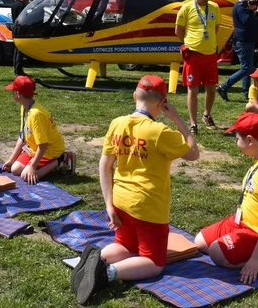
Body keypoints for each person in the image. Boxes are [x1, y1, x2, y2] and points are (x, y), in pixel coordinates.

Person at [70, 75, 199, 305]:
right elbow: (193, 153)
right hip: (148, 206)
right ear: (162, 103)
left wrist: (109, 205)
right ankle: (104, 274)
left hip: (120, 201)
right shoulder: (159, 132)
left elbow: (105, 165)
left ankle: (96, 259)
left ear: (134, 96)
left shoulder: (117, 123)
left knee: (125, 246)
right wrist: (177, 117)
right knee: (154, 263)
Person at [195, 112, 258, 284]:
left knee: (216, 253)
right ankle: (246, 248)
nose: (235, 141)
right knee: (200, 242)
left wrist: (255, 260)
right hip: (245, 221)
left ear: (250, 140)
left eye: (237, 137)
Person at [2, 75, 74, 182]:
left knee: (26, 176)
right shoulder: (24, 107)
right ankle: (36, 163)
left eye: (13, 90)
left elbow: (43, 144)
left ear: (17, 94)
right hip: (34, 148)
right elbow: (22, 136)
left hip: (49, 150)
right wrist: (11, 159)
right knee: (15, 169)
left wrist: (32, 166)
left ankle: (62, 158)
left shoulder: (36, 114)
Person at [175, 0, 221, 133]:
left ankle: (206, 115)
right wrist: (189, 43)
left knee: (211, 88)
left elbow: (216, 28)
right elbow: (178, 31)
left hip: (210, 55)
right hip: (193, 54)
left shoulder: (214, 8)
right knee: (193, 90)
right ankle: (193, 123)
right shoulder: (186, 8)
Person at [218, 0, 258, 103]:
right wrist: (257, 11)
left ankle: (246, 93)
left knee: (247, 68)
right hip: (243, 42)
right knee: (246, 69)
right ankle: (224, 86)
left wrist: (254, 7)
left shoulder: (244, 6)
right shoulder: (240, 7)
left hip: (246, 41)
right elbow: (248, 20)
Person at [11, 0, 30, 76]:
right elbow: (23, 19)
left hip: (15, 29)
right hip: (20, 30)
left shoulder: (14, 4)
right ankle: (18, 70)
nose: (28, 0)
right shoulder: (22, 6)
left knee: (16, 51)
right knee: (20, 51)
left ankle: (16, 68)